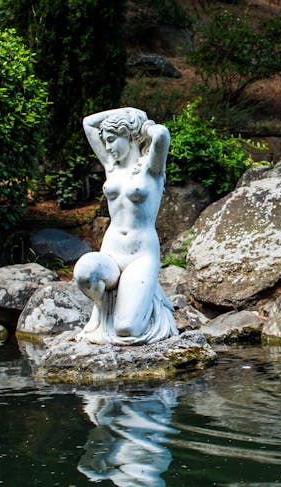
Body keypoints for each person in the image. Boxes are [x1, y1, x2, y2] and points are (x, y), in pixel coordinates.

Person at [74, 107, 177, 345]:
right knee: (83, 273)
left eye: (111, 140)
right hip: (111, 252)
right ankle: (102, 311)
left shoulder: (151, 169)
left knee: (127, 329)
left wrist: (140, 122)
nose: (107, 147)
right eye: (105, 142)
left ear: (130, 137)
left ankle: (146, 303)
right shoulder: (111, 167)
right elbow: (88, 123)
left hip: (141, 255)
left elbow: (161, 134)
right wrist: (127, 110)